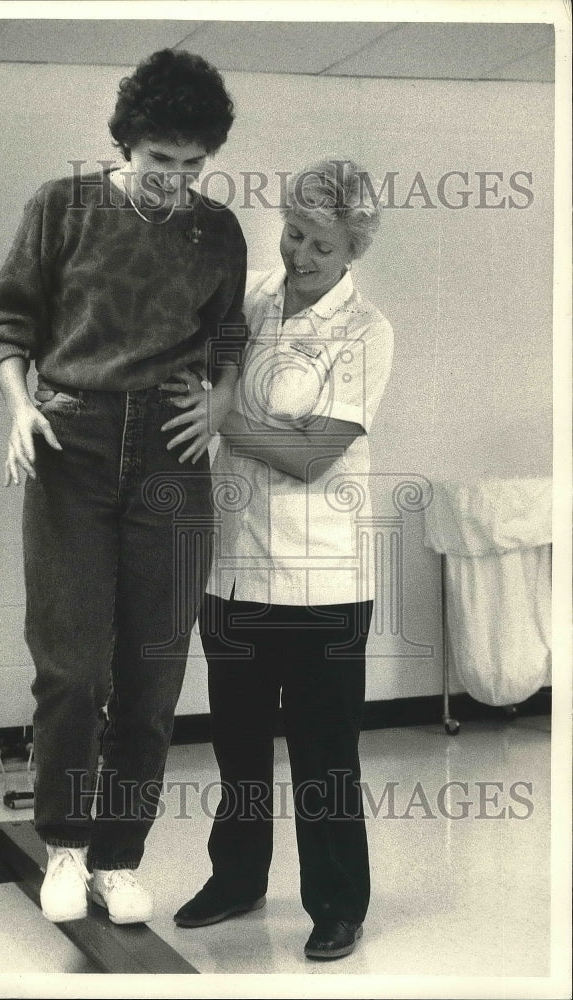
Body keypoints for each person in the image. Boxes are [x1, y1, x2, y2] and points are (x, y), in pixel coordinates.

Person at [0, 49, 247, 926]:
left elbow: (231, 338)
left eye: (191, 166)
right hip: (73, 444)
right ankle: (63, 845)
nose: (174, 181)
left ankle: (119, 857)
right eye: (159, 162)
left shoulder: (216, 232)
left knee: (154, 672)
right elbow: (7, 319)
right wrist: (19, 407)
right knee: (72, 666)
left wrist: (218, 403)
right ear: (125, 143)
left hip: (170, 458)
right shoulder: (61, 208)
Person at [167, 158, 393, 959]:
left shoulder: (365, 331)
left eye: (320, 247)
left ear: (351, 252)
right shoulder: (254, 294)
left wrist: (220, 413)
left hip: (323, 580)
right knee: (236, 743)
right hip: (232, 571)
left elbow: (311, 454)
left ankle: (337, 902)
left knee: (324, 754)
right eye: (294, 233)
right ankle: (236, 879)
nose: (299, 255)